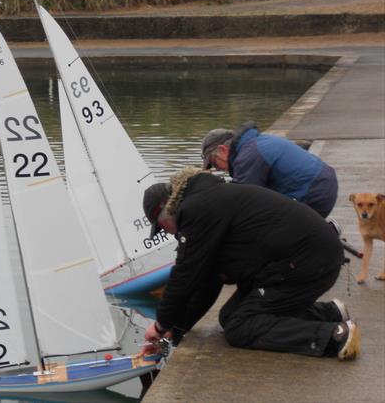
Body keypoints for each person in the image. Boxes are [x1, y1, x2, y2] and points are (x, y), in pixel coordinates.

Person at [141, 166, 360, 360]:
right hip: (302, 258)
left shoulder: (196, 209)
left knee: (240, 328)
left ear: (166, 207)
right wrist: (176, 328)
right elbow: (207, 280)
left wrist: (160, 326)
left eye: (161, 227)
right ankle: (330, 312)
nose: (167, 233)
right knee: (229, 316)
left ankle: (334, 337)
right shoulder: (205, 200)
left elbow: (184, 275)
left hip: (309, 261)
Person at [201, 121, 338, 218]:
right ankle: (319, 231)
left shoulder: (246, 158)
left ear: (223, 150)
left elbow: (243, 203)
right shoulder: (256, 142)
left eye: (215, 163)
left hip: (314, 194)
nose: (219, 169)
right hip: (325, 182)